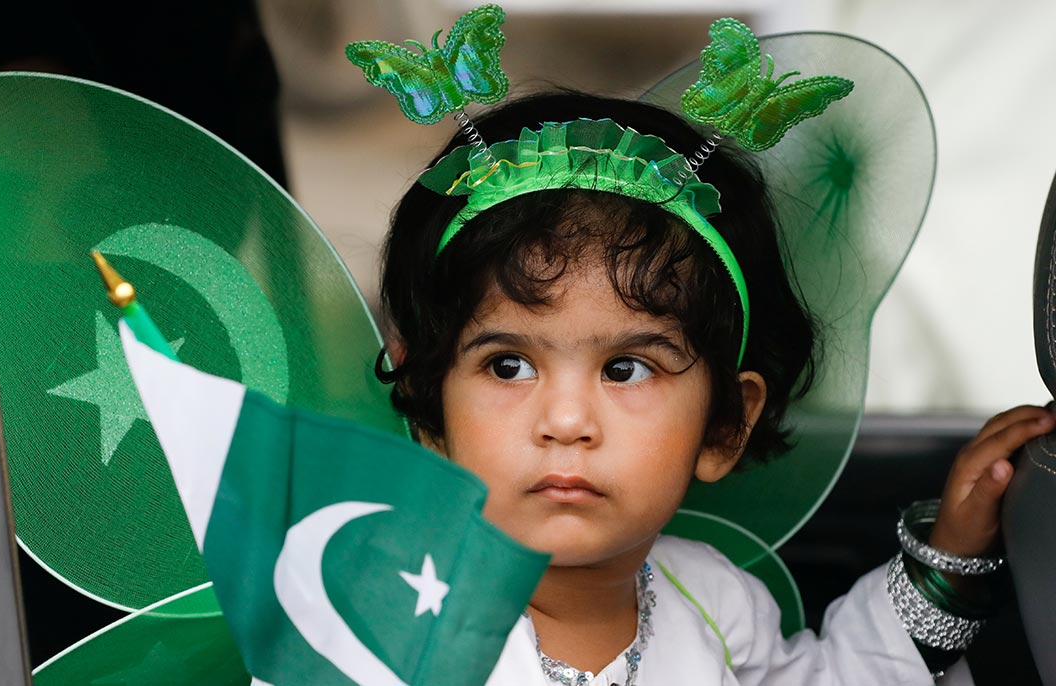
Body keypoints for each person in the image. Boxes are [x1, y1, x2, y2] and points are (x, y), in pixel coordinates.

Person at [374, 90, 1052, 684]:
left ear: (727, 424)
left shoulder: (710, 601)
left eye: (625, 369)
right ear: (431, 411)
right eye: (508, 366)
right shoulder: (382, 617)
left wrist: (949, 564)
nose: (567, 420)